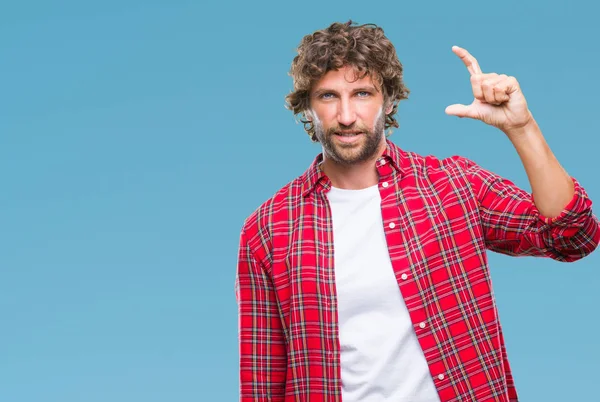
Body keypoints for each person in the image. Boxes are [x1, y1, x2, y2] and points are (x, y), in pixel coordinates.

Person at [235, 20, 600, 402]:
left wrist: (521, 127)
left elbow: (574, 236)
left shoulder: (453, 185)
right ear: (307, 107)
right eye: (328, 96)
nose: (346, 116)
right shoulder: (269, 228)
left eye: (362, 93)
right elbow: (263, 383)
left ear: (388, 100)